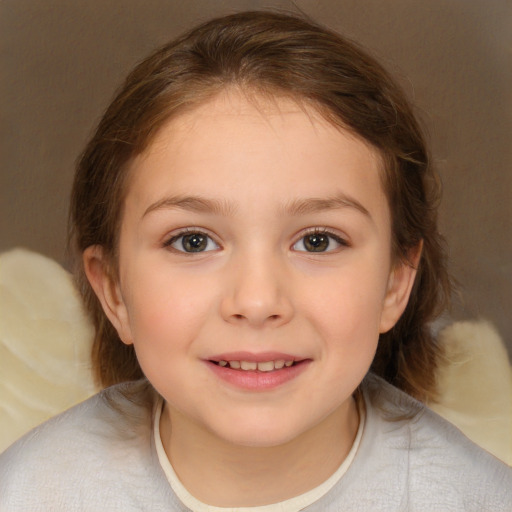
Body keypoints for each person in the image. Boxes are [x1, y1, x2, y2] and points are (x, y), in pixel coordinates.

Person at [1, 10, 511, 511]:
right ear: (114, 290)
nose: (258, 300)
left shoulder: (475, 498)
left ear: (395, 283)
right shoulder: (29, 491)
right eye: (193, 242)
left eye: (317, 241)